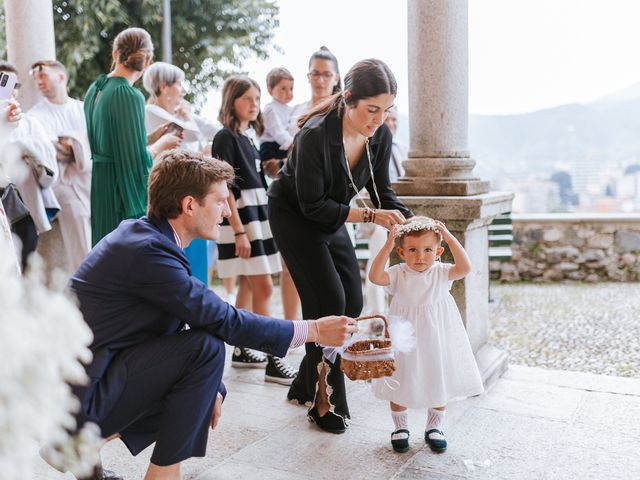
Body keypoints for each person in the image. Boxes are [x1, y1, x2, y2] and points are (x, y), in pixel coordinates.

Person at [68, 149, 357, 480]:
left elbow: (186, 321)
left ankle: (87, 454)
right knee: (206, 349)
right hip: (77, 400)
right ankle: (157, 474)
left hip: (83, 384)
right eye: (220, 200)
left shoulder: (147, 238)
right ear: (189, 205)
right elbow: (224, 320)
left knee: (205, 370)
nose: (227, 211)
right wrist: (314, 330)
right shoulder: (149, 251)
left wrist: (211, 388)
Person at [268, 59, 412, 433]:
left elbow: (383, 192)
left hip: (334, 215)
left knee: (353, 301)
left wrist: (413, 222)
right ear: (348, 98)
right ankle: (323, 400)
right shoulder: (316, 134)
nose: (378, 119)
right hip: (295, 217)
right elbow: (312, 206)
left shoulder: (379, 136)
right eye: (372, 109)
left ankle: (303, 380)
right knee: (329, 303)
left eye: (386, 111)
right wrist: (370, 217)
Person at [369, 217, 484, 454]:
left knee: (436, 374)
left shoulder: (442, 272)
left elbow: (465, 268)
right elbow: (374, 277)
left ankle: (435, 427)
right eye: (412, 250)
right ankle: (400, 427)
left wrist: (449, 236)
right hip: (404, 336)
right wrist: (387, 245)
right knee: (400, 375)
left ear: (439, 251)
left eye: (428, 250)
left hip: (436, 335)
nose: (420, 256)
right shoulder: (398, 273)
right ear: (401, 252)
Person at [212, 75, 296, 385]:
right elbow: (224, 188)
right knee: (263, 288)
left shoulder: (247, 137)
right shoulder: (225, 137)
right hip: (242, 218)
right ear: (231, 100)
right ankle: (275, 358)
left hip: (256, 215)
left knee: (250, 286)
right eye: (247, 98)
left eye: (257, 99)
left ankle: (243, 349)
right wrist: (238, 231)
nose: (254, 105)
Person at [84, 27, 182, 246]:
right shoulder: (128, 95)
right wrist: (161, 145)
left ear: (114, 53)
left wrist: (149, 138)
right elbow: (136, 160)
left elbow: (109, 140)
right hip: (119, 188)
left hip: (101, 184)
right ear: (147, 61)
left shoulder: (97, 88)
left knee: (105, 253)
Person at [142, 61, 219, 285]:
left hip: (190, 188)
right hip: (172, 193)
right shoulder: (152, 112)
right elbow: (193, 135)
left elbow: (215, 131)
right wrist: (188, 118)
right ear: (164, 86)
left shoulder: (177, 113)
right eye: (179, 84)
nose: (183, 91)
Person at [27, 60, 92, 274]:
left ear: (61, 77)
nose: (38, 81)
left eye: (43, 75)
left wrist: (72, 145)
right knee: (82, 242)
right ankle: (87, 290)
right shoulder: (35, 116)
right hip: (63, 185)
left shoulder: (83, 109)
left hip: (90, 180)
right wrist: (76, 145)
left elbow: (93, 143)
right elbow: (51, 151)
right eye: (35, 77)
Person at [0, 61, 60, 270]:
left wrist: (27, 149)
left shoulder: (30, 123)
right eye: (3, 83)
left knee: (25, 260)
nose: (10, 91)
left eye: (14, 85)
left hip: (25, 202)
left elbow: (48, 156)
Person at [287, 46, 341, 137]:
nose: (320, 80)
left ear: (336, 79)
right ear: (308, 76)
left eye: (327, 75)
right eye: (315, 73)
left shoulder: (341, 113)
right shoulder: (296, 109)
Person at [259, 67, 294, 178]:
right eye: (283, 88)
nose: (288, 92)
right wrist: (294, 144)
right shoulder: (271, 109)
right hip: (271, 148)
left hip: (281, 147)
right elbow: (278, 132)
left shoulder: (290, 109)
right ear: (270, 90)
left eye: (291, 88)